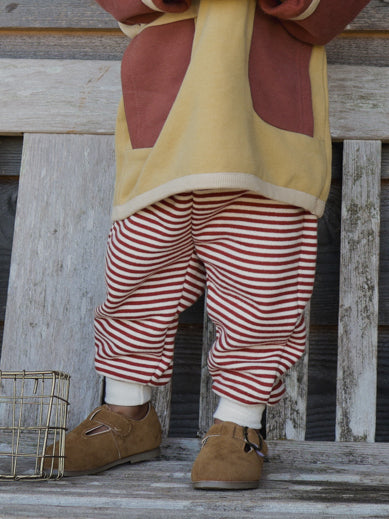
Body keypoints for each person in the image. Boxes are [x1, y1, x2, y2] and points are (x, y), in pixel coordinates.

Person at [46, 0, 371, 490]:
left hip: (264, 133)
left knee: (262, 283)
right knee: (137, 271)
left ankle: (239, 421)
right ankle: (126, 412)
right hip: (165, 121)